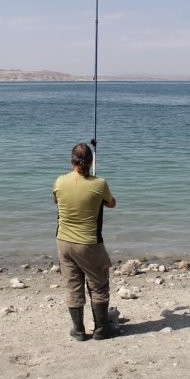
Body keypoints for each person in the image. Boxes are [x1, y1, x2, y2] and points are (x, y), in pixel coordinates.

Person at [53, 143, 117, 341]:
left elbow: (56, 200)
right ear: (91, 162)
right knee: (98, 285)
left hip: (63, 241)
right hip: (89, 243)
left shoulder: (59, 182)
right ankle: (100, 329)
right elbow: (112, 203)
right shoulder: (100, 184)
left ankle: (79, 330)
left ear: (71, 161)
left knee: (73, 285)